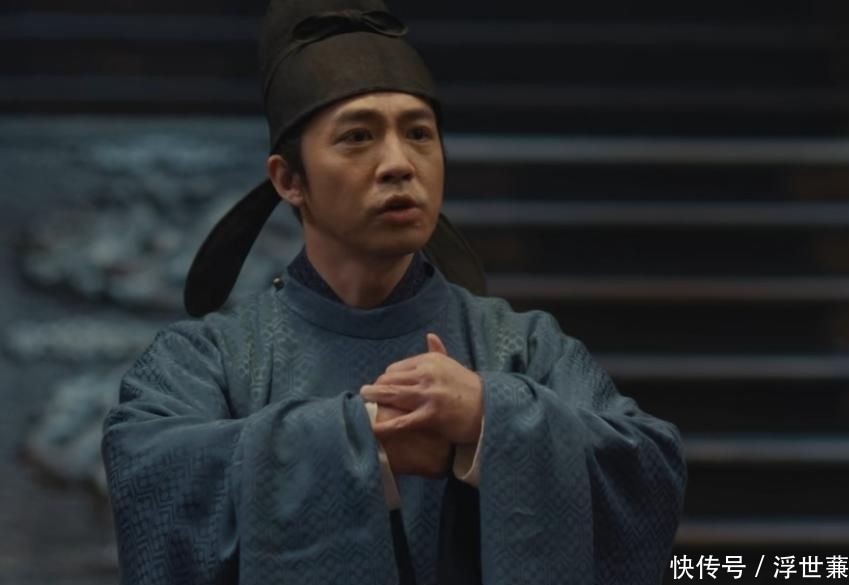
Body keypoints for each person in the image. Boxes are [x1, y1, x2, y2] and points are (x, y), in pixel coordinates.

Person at [101, 1, 687, 584]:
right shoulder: (208, 360)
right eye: (358, 136)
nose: (399, 164)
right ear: (289, 179)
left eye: (419, 134)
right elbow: (152, 480)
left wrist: (489, 417)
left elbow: (648, 468)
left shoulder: (522, 346)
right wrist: (367, 441)